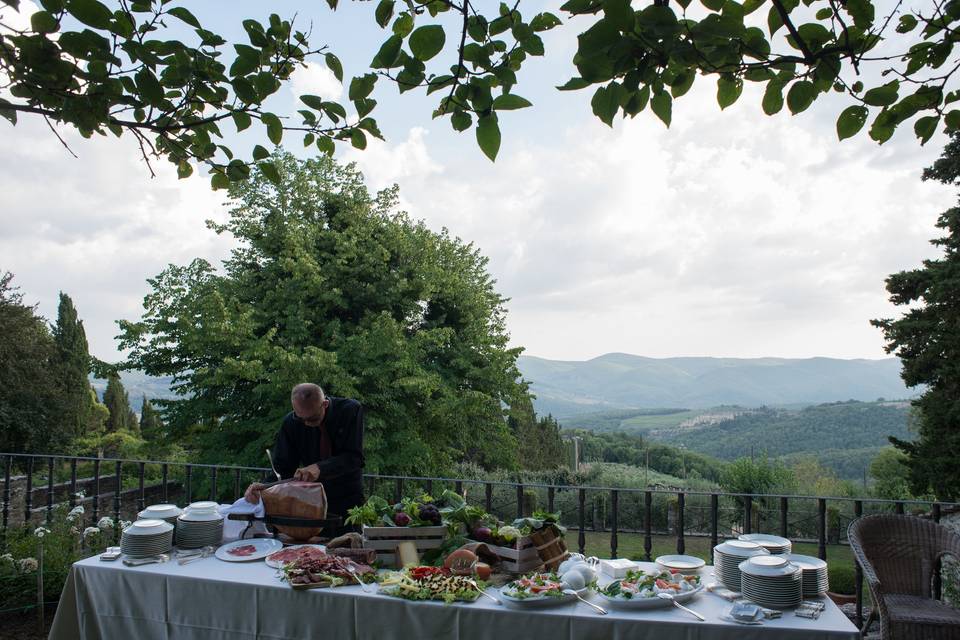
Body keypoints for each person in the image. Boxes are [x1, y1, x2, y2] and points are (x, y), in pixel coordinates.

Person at [244, 383, 364, 525]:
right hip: (311, 501)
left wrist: (320, 468)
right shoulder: (291, 422)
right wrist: (263, 486)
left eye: (312, 419)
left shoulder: (350, 410)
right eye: (300, 418)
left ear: (324, 404)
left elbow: (354, 458)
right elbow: (283, 467)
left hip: (348, 497)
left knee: (347, 542)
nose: (306, 423)